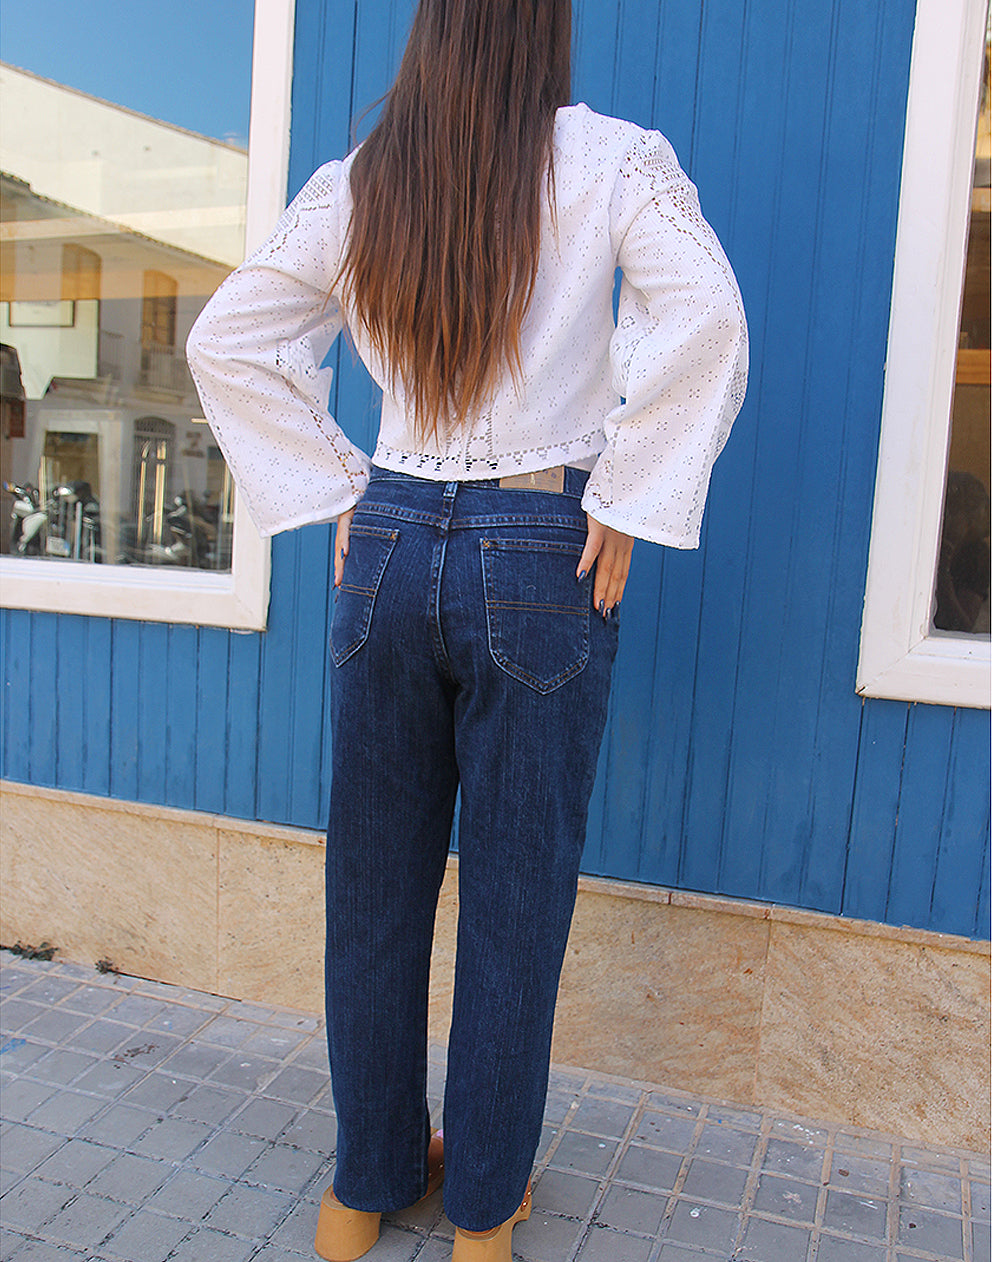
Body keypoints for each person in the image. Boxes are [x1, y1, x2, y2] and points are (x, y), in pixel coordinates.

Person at [186, 0, 747, 1256]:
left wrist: (340, 487)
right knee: (513, 896)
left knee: (371, 887)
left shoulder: (362, 181)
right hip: (541, 546)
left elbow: (228, 338)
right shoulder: (611, 159)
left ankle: (361, 1190)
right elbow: (707, 315)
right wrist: (625, 495)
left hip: (386, 544)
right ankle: (482, 1212)